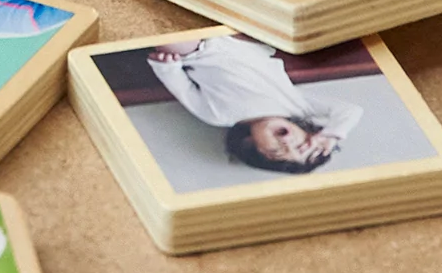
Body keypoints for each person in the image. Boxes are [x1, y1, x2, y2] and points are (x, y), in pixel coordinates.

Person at [146, 35, 364, 174]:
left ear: (251, 144)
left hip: (201, 51)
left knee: (171, 40)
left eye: (276, 151)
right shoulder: (298, 107)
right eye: (299, 145)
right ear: (308, 132)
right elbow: (351, 110)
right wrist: (331, 135)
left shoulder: (218, 116)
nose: (286, 143)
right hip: (250, 44)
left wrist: (168, 68)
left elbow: (185, 90)